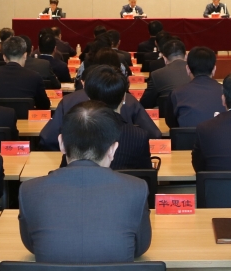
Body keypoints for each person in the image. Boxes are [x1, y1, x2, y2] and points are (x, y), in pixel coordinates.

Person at [19, 100, 152, 262]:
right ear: (113, 149)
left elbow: (32, 246)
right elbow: (140, 248)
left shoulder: (29, 190)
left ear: (61, 143)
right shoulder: (137, 188)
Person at [39, 50, 161, 149]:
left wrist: (69, 152)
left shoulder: (68, 100)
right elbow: (154, 135)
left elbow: (47, 138)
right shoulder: (129, 100)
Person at [0, 36, 50, 110]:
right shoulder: (34, 76)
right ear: (25, 56)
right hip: (26, 117)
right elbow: (44, 105)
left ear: (4, 57)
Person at [169, 46, 225, 128]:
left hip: (187, 136)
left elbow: (172, 125)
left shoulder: (176, 93)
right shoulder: (227, 92)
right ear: (214, 69)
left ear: (187, 69)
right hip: (220, 136)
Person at [139, 39, 190, 108]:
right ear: (186, 56)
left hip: (167, 113)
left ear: (165, 59)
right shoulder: (195, 71)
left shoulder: (157, 74)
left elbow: (145, 103)